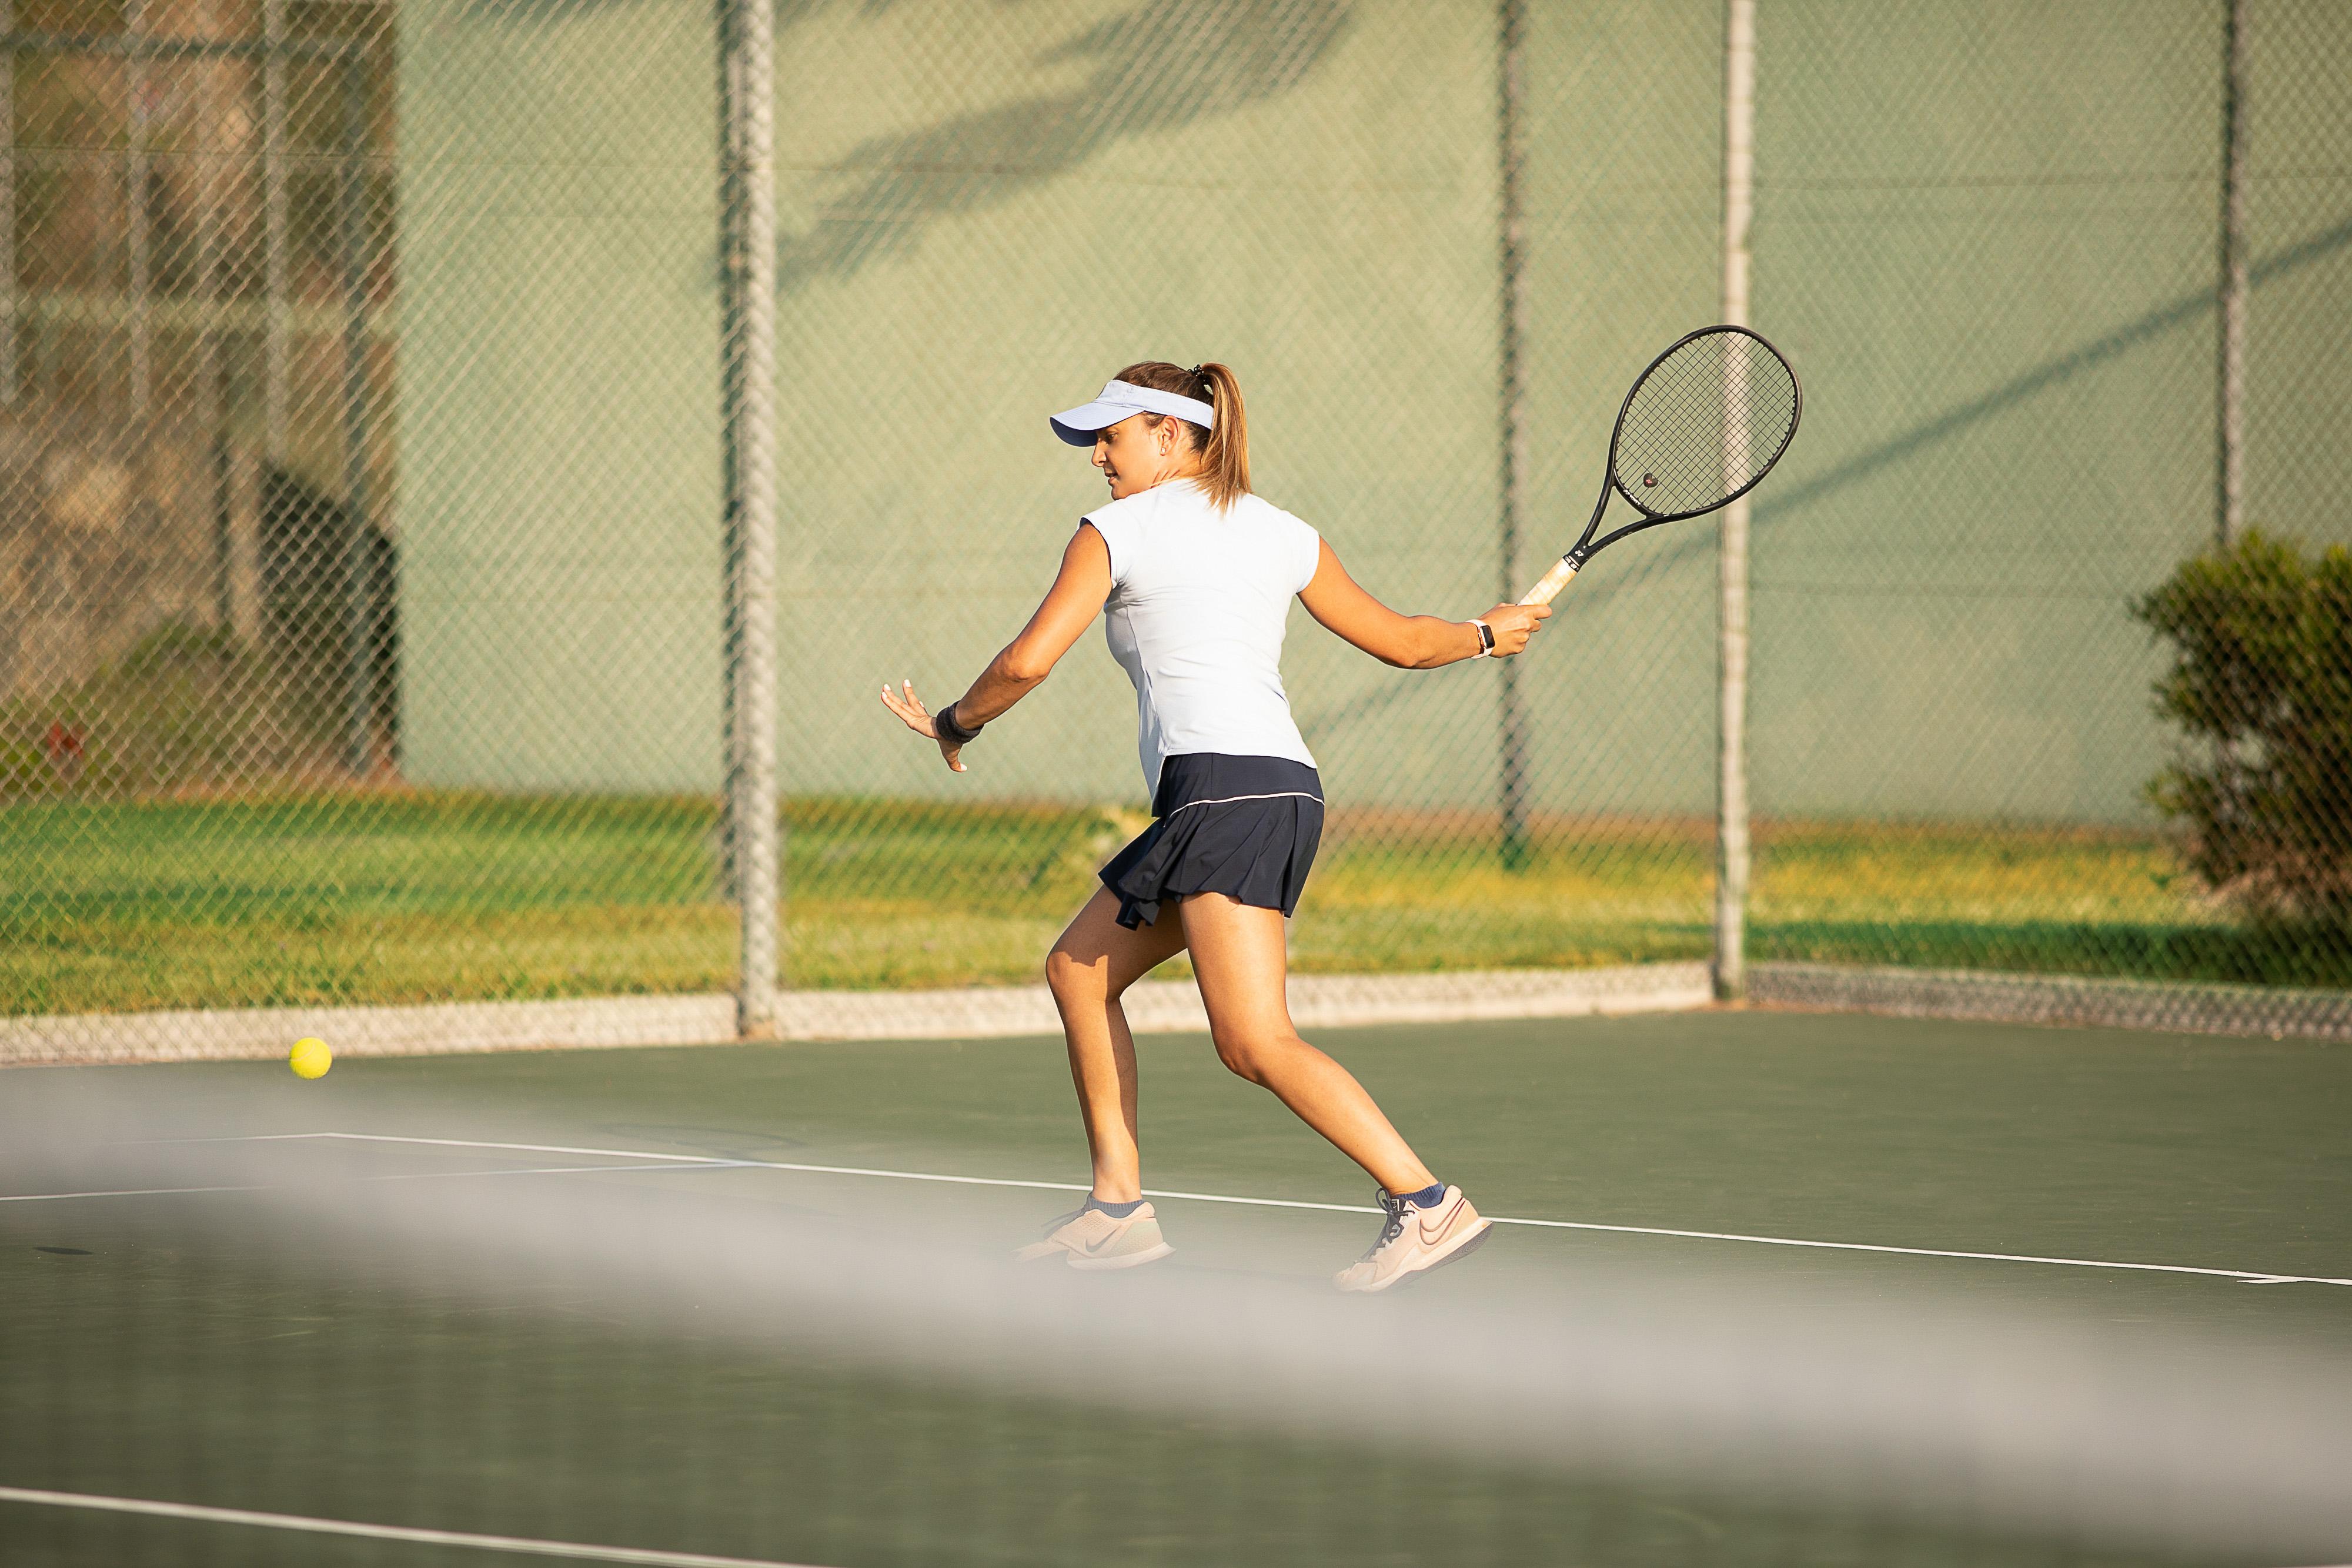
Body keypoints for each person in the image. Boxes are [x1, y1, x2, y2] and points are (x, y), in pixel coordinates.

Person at [880, 362, 1548, 1292]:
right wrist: (1484, 632)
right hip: (1268, 787)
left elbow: (1030, 660)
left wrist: (956, 722)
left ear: (1167, 433)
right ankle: (1118, 1210)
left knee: (1252, 1040)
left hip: (1224, 793)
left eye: (1111, 438)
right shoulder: (1284, 532)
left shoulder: (1115, 531)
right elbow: (1402, 640)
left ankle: (1427, 1203)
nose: (1099, 459)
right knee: (1079, 968)